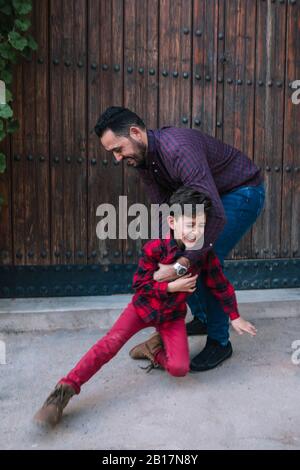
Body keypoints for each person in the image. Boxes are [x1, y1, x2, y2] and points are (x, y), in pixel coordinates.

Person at [33, 187, 256, 428]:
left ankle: (152, 349)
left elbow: (220, 285)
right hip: (142, 309)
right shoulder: (155, 248)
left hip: (171, 318)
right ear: (172, 221)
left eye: (201, 226)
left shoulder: (203, 255)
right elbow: (139, 284)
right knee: (108, 345)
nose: (196, 232)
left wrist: (234, 316)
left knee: (180, 368)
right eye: (190, 224)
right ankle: (62, 392)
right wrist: (171, 287)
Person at [95, 106, 265, 370]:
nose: (117, 158)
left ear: (135, 133)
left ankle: (220, 343)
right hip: (209, 199)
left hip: (241, 192)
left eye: (118, 149)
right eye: (113, 153)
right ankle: (203, 317)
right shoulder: (143, 162)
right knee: (175, 252)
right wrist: (165, 256)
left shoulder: (178, 149)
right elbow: (164, 211)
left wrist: (181, 264)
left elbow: (216, 215)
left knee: (204, 255)